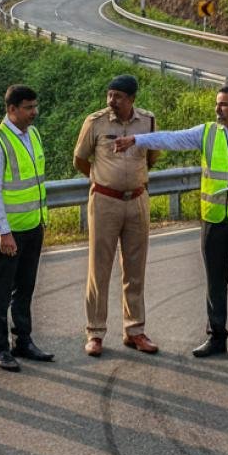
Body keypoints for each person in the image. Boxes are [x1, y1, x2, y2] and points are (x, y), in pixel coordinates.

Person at [115, 83, 228, 363]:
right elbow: (172, 139)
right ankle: (216, 336)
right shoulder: (207, 132)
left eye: (224, 104)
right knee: (215, 282)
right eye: (217, 104)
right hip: (214, 220)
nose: (218, 109)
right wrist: (138, 140)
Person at [73, 74, 160, 357]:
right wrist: (103, 180)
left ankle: (134, 330)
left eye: (119, 97)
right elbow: (80, 159)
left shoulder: (147, 121)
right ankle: (95, 333)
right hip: (104, 202)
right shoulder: (95, 122)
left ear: (132, 99)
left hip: (136, 201)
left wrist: (131, 182)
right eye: (110, 95)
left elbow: (152, 157)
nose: (112, 101)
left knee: (135, 269)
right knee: (99, 269)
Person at [0, 84, 54, 371]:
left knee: (25, 287)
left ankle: (22, 340)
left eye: (35, 106)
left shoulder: (32, 134)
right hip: (9, 230)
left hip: (33, 225)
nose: (34, 112)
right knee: (1, 291)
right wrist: (4, 231)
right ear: (11, 109)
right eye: (28, 107)